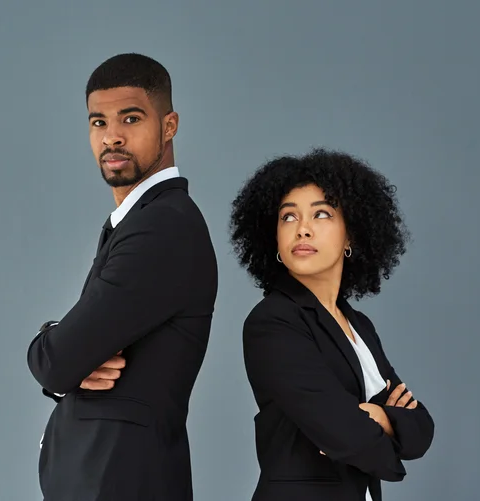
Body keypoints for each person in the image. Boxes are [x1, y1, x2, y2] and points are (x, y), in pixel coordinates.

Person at [27, 53, 218, 501]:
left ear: (169, 126)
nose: (112, 136)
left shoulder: (164, 226)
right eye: (98, 123)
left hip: (122, 483)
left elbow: (56, 362)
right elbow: (71, 363)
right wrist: (73, 360)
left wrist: (52, 340)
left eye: (130, 118)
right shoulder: (137, 223)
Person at [229, 148, 434, 501]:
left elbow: (421, 427)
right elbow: (343, 432)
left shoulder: (360, 326)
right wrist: (382, 425)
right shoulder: (273, 322)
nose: (302, 229)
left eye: (321, 214)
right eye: (288, 217)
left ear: (350, 234)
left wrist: (378, 419)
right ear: (274, 238)